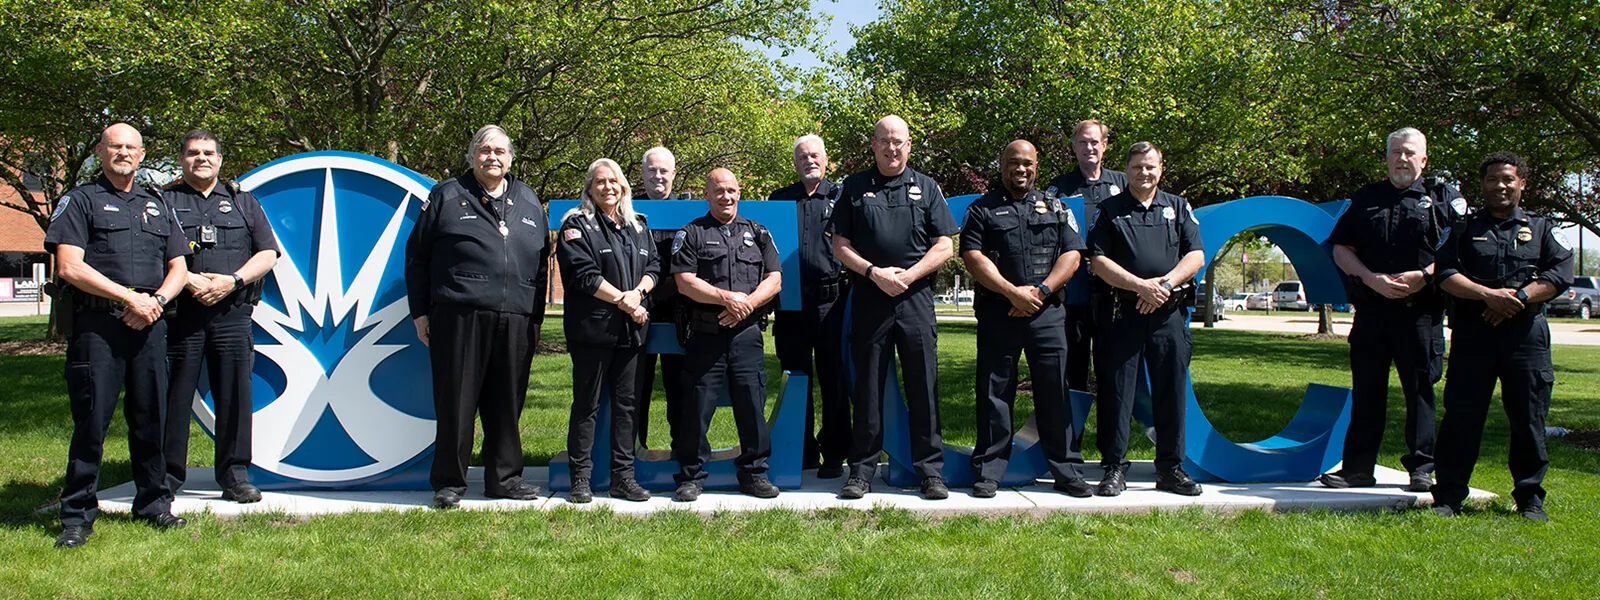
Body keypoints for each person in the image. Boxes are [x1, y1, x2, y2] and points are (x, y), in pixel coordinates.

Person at [45, 123, 191, 547]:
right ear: (100, 151)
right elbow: (70, 266)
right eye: (115, 146)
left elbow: (179, 267)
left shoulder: (156, 203)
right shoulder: (80, 200)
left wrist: (155, 304)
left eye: (131, 147)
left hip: (150, 325)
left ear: (142, 154)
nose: (123, 153)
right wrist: (130, 298)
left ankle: (153, 505)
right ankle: (77, 514)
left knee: (152, 419)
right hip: (99, 328)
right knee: (92, 422)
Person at [404, 125, 550, 509]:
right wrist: (420, 312)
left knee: (507, 401)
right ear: (471, 157)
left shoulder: (530, 200)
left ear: (511, 158)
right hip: (459, 314)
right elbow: (417, 258)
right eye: (485, 151)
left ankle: (504, 478)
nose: (493, 158)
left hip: (516, 318)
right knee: (457, 400)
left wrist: (536, 317)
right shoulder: (447, 195)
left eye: (500, 151)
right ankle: (450, 481)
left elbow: (541, 266)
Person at [1320, 128, 1465, 492]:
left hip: (1420, 313)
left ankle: (1421, 469)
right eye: (1395, 152)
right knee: (1367, 391)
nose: (1402, 159)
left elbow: (1460, 250)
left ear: (1424, 159)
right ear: (1386, 157)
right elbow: (1340, 248)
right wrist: (1369, 278)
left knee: (1419, 392)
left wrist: (1425, 275)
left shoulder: (1444, 199)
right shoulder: (1367, 198)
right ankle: (1357, 469)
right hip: (1372, 313)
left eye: (1410, 153)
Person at [1431, 152, 1572, 521]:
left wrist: (1518, 298)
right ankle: (1448, 497)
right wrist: (1487, 295)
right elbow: (1444, 272)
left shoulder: (1540, 228)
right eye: (1493, 179)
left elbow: (1560, 274)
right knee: (1462, 417)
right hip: (1473, 336)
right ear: (1483, 185)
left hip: (1525, 338)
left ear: (1521, 184)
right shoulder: (1463, 227)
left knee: (1528, 419)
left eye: (1508, 179)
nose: (1501, 186)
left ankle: (1530, 499)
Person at [830, 115, 960, 500]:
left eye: (898, 141)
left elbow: (945, 245)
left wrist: (908, 274)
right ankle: (861, 472)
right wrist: (873, 272)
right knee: (868, 387)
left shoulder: (927, 187)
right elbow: (840, 245)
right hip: (870, 297)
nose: (891, 148)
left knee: (924, 385)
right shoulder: (854, 187)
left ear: (909, 146)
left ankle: (930, 472)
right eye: (884, 141)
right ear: (873, 145)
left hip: (915, 298)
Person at [961, 140, 1093, 498]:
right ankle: (989, 470)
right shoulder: (981, 209)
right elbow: (972, 257)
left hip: (1046, 314)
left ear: (1037, 166)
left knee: (1054, 391)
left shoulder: (1056, 207)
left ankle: (1066, 470)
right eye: (1013, 163)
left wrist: (1040, 293)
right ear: (1002, 164)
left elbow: (1072, 255)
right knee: (995, 391)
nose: (1020, 169)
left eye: (1027, 164)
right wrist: (1011, 292)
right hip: (998, 312)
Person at [162, 129, 279, 505]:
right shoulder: (162, 202)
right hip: (182, 316)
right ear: (181, 160)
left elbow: (268, 254)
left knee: (235, 398)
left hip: (231, 314)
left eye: (209, 152)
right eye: (194, 153)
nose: (202, 158)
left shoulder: (243, 202)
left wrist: (232, 281)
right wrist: (189, 279)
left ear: (220, 159)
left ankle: (234, 476)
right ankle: (166, 478)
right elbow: (153, 254)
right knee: (174, 397)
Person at [1085, 141, 1205, 497]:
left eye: (1151, 166)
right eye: (1137, 167)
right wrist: (1140, 287)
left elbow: (1196, 254)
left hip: (1167, 313)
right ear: (1127, 170)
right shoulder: (1109, 211)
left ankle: (1171, 469)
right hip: (1122, 314)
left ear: (1161, 168)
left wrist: (1164, 286)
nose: (1144, 173)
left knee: (1171, 391)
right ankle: (1113, 468)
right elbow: (1098, 260)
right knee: (1117, 392)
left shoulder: (1179, 207)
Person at [669, 168, 783, 501]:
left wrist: (747, 304)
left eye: (732, 190)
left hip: (746, 335)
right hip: (705, 335)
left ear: (739, 192)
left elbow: (774, 277)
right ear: (707, 194)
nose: (726, 196)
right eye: (719, 190)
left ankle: (754, 474)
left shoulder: (758, 232)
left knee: (751, 404)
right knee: (696, 408)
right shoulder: (691, 234)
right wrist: (726, 298)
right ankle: (690, 477)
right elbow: (684, 281)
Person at [555, 158, 658, 504]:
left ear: (624, 186)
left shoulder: (638, 225)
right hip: (592, 332)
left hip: (632, 333)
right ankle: (580, 478)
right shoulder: (575, 224)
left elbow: (654, 266)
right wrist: (626, 301)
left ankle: (623, 479)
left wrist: (638, 293)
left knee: (627, 407)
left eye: (613, 181)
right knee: (587, 405)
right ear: (589, 188)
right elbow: (582, 274)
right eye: (599, 182)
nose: (607, 187)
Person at [769, 134, 852, 479]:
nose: (809, 161)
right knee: (794, 377)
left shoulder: (843, 197)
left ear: (826, 159)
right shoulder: (779, 200)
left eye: (814, 155)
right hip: (790, 304)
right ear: (795, 162)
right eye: (802, 156)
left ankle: (834, 453)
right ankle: (801, 451)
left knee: (834, 380)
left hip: (831, 303)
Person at [1043, 120, 1128, 400]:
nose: (1089, 147)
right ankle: (1071, 440)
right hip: (1074, 293)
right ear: (1074, 147)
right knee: (1073, 366)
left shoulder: (1123, 183)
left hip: (1114, 293)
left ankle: (1111, 438)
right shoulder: (1059, 187)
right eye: (1082, 142)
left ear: (1104, 146)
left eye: (1094, 142)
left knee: (1113, 367)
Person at [633, 146, 693, 451]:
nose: (658, 176)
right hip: (635, 312)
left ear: (673, 174)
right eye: (652, 170)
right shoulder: (627, 212)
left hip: (677, 312)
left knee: (680, 388)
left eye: (663, 171)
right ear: (642, 174)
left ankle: (682, 454)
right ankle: (629, 455)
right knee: (634, 388)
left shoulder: (688, 214)